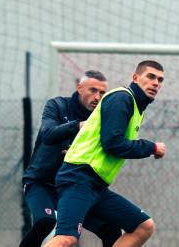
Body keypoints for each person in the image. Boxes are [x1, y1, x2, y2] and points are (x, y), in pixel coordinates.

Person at [43, 60, 166, 247]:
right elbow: (113, 144)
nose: (156, 83)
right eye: (150, 76)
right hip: (78, 178)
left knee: (144, 226)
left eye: (160, 79)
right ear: (135, 77)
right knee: (66, 239)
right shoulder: (122, 99)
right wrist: (152, 147)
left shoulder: (135, 107)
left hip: (96, 186)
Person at [20, 70, 122, 247]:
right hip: (41, 183)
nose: (97, 97)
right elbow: (48, 134)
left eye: (102, 93)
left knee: (111, 229)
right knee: (46, 221)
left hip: (74, 187)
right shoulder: (57, 105)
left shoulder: (101, 118)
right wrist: (79, 126)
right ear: (79, 88)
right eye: (93, 90)